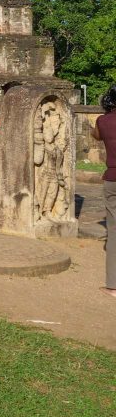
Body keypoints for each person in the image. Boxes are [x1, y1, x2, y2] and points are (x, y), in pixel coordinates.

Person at [90, 84, 116, 299]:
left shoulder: (102, 121)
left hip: (112, 178)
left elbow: (96, 135)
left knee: (114, 231)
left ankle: (113, 286)